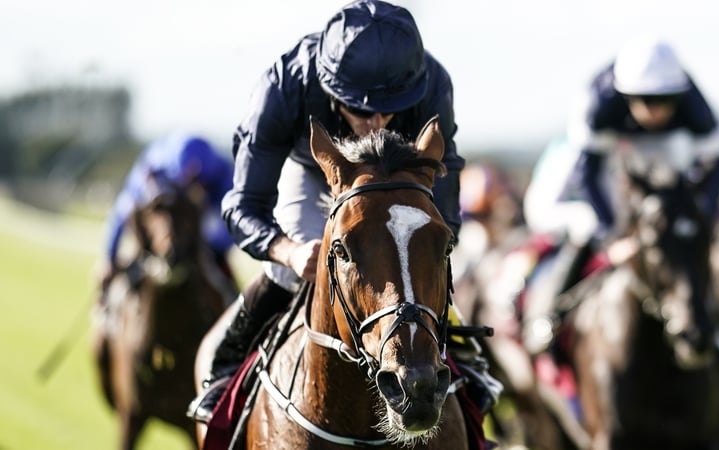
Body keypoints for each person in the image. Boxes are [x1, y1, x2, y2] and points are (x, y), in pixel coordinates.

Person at [187, 0, 500, 424]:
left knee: (418, 260)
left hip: (397, 180)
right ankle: (228, 365)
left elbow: (444, 182)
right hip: (314, 171)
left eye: (388, 109)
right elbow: (242, 205)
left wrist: (438, 245)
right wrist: (288, 251)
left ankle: (463, 359)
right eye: (360, 109)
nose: (375, 123)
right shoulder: (284, 84)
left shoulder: (432, 82)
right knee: (294, 266)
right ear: (331, 86)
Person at [522, 37, 719, 354]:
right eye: (645, 100)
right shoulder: (598, 105)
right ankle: (549, 314)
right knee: (588, 223)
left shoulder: (696, 107)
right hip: (588, 165)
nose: (656, 111)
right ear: (626, 95)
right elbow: (587, 175)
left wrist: (703, 216)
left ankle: (713, 317)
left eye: (667, 101)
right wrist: (611, 238)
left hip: (646, 152)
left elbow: (716, 167)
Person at [99, 132, 236, 293]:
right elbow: (123, 210)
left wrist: (206, 246)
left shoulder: (225, 176)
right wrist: (109, 255)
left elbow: (230, 230)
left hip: (202, 243)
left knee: (225, 284)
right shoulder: (153, 166)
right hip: (152, 243)